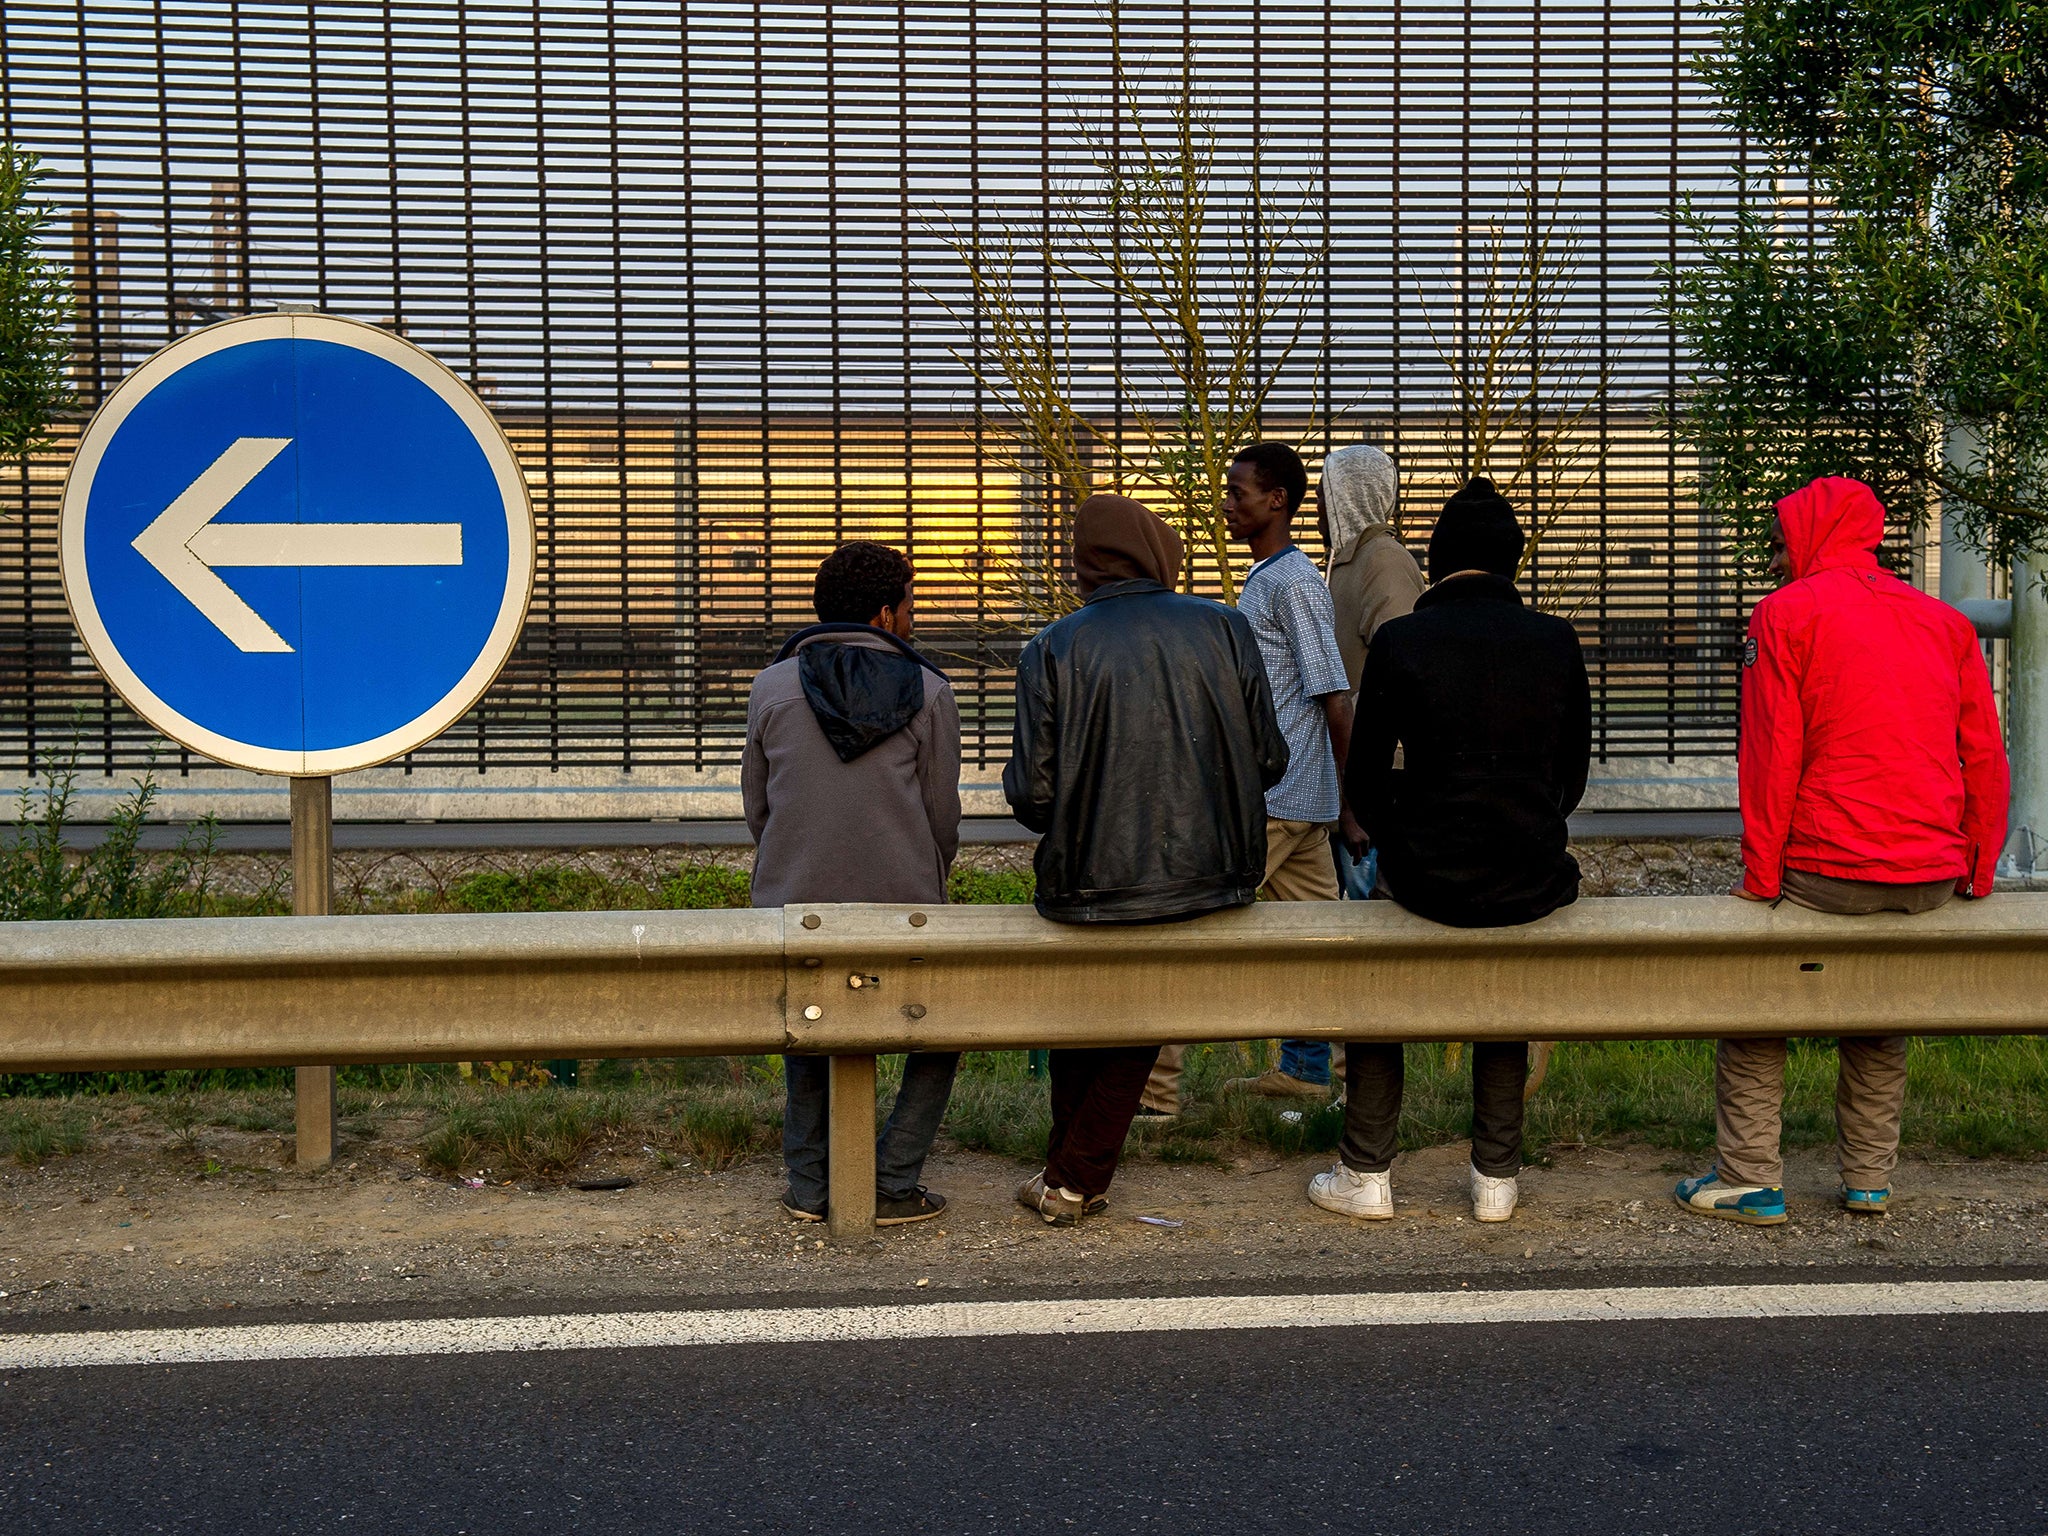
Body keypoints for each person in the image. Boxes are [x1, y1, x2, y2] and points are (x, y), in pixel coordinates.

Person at [1675, 476, 2008, 1225]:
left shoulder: (1786, 614)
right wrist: (1977, 870)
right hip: (1929, 875)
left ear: (1807, 535)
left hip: (1828, 868)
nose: (1774, 552)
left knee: (1760, 1004)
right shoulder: (1943, 623)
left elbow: (1771, 757)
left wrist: (1762, 879)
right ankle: (1867, 1181)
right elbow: (1984, 755)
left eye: (1780, 536)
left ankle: (1750, 1175)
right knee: (1876, 1010)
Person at [1311, 476, 1590, 1225]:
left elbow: (1364, 787)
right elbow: (1573, 777)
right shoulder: (1556, 640)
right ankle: (1495, 1178)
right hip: (1529, 876)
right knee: (1502, 996)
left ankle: (1366, 1171)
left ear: (1434, 563)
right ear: (1513, 561)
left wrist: (1409, 824)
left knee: (1377, 988)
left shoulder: (1403, 641)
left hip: (1424, 875)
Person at [1005, 492, 1287, 1224]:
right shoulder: (1225, 628)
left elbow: (1033, 797)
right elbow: (1269, 758)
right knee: (1132, 1021)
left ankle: (1072, 1177)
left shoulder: (1053, 646)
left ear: (1086, 563)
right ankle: (1067, 1172)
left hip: (1086, 880)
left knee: (1093, 1024)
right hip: (1211, 873)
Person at [743, 540, 962, 1227]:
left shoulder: (771, 687)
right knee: (943, 1029)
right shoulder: (930, 690)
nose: (913, 617)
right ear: (884, 612)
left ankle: (810, 1186)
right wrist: (922, 876)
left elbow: (758, 806)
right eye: (911, 604)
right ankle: (893, 1180)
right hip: (905, 907)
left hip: (792, 902)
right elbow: (941, 815)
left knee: (810, 1030)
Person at [1210, 441, 1363, 1102]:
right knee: (1318, 947)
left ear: (1277, 500)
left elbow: (1334, 695)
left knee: (1195, 931)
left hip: (1278, 801)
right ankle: (1308, 1076)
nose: (1226, 505)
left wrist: (1352, 805)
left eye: (1238, 492)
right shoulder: (1270, 576)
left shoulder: (1293, 582)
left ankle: (1153, 1098)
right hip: (1298, 801)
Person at [1319, 442, 1424, 902]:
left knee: (1375, 922)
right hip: (1353, 777)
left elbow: (1405, 674)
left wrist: (1359, 804)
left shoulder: (1381, 561)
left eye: (1324, 496)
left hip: (1379, 783)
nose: (1318, 510)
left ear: (1346, 495)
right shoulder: (1346, 562)